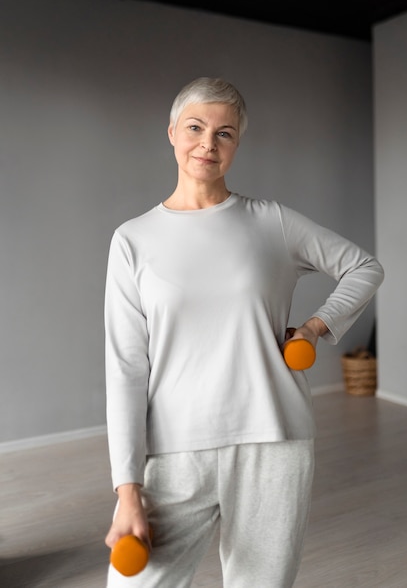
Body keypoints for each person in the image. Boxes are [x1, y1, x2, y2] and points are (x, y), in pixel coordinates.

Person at [104, 76, 384, 587]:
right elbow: (125, 368)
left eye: (225, 133)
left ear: (237, 144)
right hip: (174, 452)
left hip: (274, 441)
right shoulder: (133, 241)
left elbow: (364, 266)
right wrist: (127, 490)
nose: (208, 143)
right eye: (195, 127)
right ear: (172, 132)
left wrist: (318, 326)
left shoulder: (271, 222)